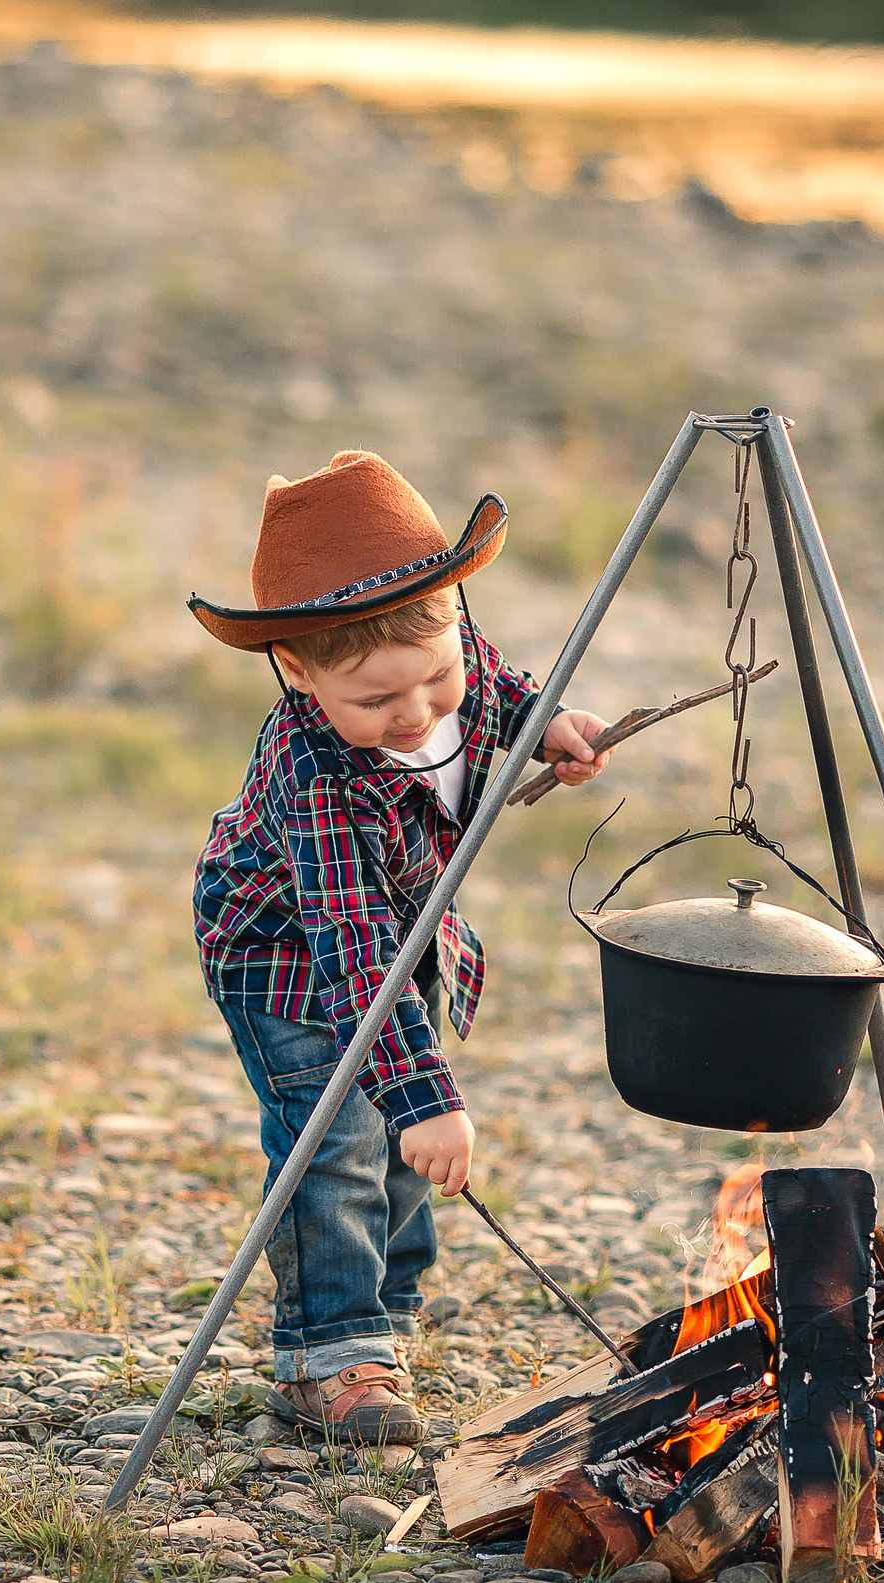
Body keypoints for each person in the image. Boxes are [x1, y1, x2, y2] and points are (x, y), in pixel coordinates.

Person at [188, 450, 612, 1443]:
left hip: (401, 926)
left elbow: (493, 688)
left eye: (437, 678)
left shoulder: (439, 664)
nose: (417, 714)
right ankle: (330, 1355)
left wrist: (546, 723)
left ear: (456, 622)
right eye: (378, 703)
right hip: (292, 960)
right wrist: (426, 1099)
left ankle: (387, 1308)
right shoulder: (312, 767)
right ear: (298, 671)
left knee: (404, 1141)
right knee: (338, 1136)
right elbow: (353, 948)